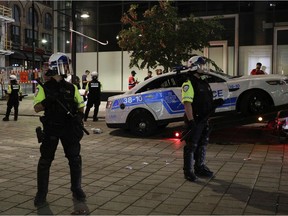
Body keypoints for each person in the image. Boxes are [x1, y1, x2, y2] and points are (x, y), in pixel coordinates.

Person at [33, 52, 86, 206]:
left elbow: (81, 106)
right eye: (64, 65)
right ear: (56, 66)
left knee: (75, 160)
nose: (67, 68)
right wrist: (48, 101)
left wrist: (79, 117)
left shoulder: (72, 87)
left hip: (69, 129)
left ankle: (76, 189)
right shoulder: (44, 87)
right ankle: (41, 194)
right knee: (45, 161)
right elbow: (36, 108)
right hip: (52, 129)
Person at [181, 56, 215, 182]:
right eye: (201, 65)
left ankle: (199, 167)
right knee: (191, 145)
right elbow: (187, 103)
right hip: (195, 120)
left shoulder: (203, 82)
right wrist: (191, 122)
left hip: (204, 119)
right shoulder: (189, 83)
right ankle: (188, 171)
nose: (204, 67)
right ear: (194, 66)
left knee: (202, 144)